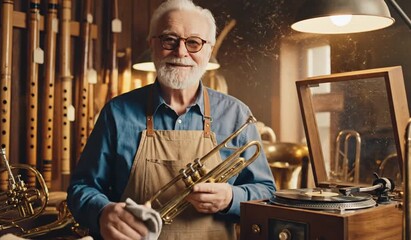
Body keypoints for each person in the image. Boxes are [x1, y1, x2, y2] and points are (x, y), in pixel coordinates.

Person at [67, 0, 276, 239]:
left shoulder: (236, 115)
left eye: (194, 43)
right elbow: (81, 189)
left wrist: (231, 198)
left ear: (209, 50)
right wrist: (102, 212)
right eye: (169, 40)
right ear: (152, 44)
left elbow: (268, 192)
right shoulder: (116, 113)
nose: (181, 52)